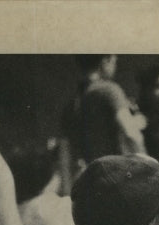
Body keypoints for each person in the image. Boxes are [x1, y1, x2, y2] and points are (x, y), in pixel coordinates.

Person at [60, 55, 146, 189]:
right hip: (117, 179)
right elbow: (131, 133)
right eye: (114, 60)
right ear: (105, 61)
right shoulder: (109, 91)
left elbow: (65, 154)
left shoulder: (72, 105)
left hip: (90, 184)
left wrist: (67, 193)